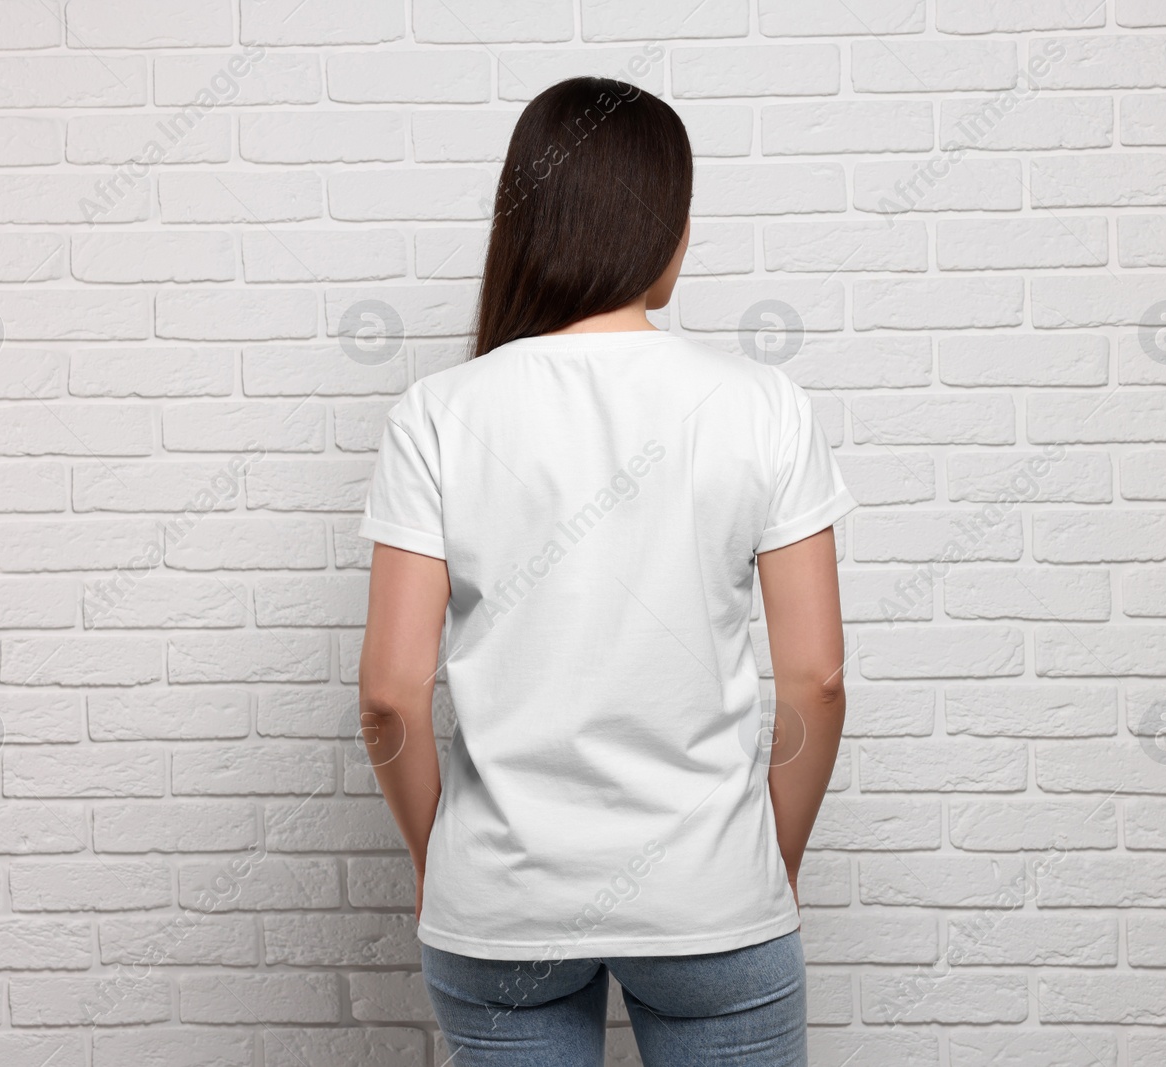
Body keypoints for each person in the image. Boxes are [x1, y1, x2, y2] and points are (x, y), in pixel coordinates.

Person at [357, 76, 851, 1067]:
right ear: (661, 228)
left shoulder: (439, 412)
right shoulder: (761, 405)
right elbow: (816, 680)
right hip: (710, 891)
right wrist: (765, 864)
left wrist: (437, 861)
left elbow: (389, 697)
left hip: (501, 900)